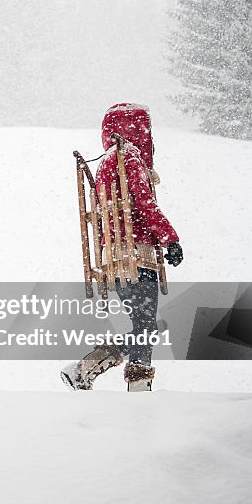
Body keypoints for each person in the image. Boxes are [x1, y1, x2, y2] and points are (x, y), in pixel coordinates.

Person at [62, 103, 183, 392]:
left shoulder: (106, 161)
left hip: (114, 259)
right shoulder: (128, 158)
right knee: (146, 329)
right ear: (134, 128)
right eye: (144, 127)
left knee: (145, 327)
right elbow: (144, 204)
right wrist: (170, 238)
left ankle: (116, 379)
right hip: (137, 256)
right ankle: (91, 370)